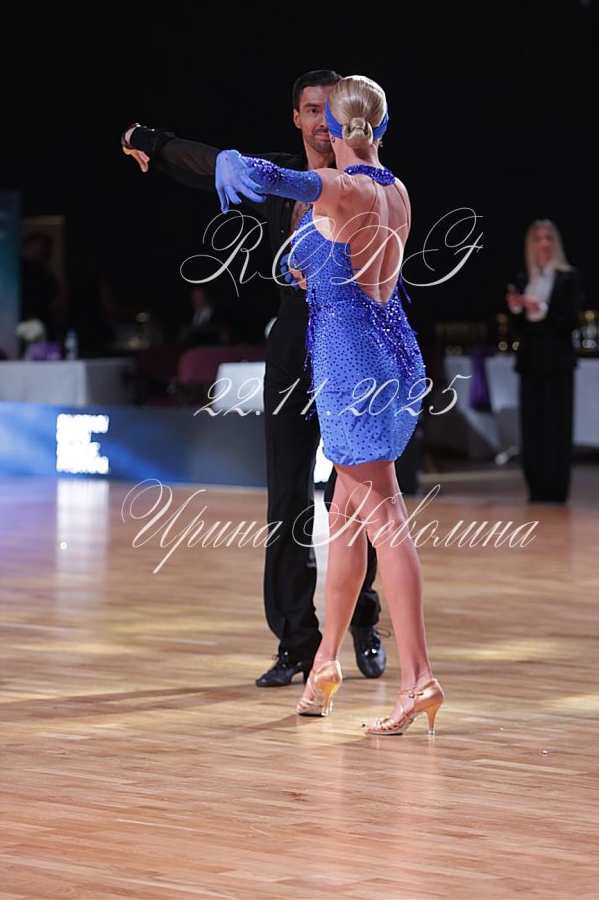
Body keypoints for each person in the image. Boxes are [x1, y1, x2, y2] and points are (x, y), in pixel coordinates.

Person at [121, 69, 387, 686]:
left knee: (358, 498)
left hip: (354, 345)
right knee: (286, 496)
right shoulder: (281, 175)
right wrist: (145, 138)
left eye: (330, 110)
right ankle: (296, 642)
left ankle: (363, 620)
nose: (322, 121)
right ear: (296, 117)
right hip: (294, 338)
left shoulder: (366, 176)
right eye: (311, 110)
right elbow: (213, 163)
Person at [216, 75, 444, 735]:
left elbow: (274, 178)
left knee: (386, 520)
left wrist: (232, 160)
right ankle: (323, 665)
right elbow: (354, 269)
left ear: (338, 129)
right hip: (389, 353)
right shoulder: (394, 189)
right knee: (343, 522)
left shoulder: (341, 188)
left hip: (350, 368)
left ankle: (419, 679)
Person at [506, 219, 580, 503]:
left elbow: (570, 321)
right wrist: (516, 309)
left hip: (557, 361)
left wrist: (543, 308)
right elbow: (519, 328)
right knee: (532, 425)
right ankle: (535, 486)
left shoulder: (567, 278)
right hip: (530, 360)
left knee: (556, 425)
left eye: (548, 238)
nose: (544, 244)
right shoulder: (525, 277)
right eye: (538, 239)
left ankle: (556, 487)